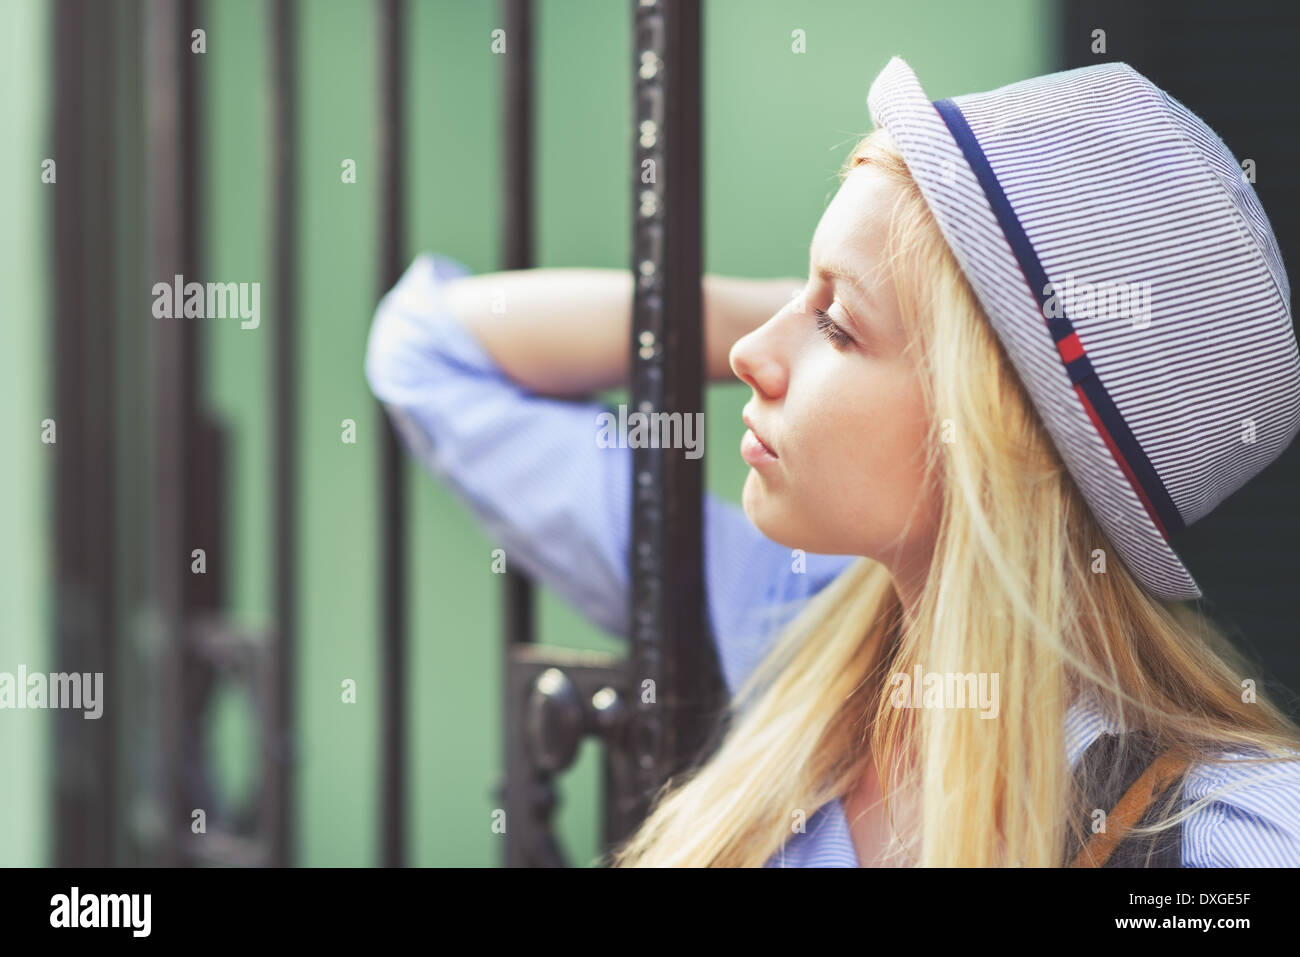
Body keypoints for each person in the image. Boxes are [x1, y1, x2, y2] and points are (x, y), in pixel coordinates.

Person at [365, 57, 1300, 867]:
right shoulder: (798, 617)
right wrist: (825, 291)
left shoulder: (1217, 833)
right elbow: (428, 352)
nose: (746, 360)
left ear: (992, 434)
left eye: (838, 328)